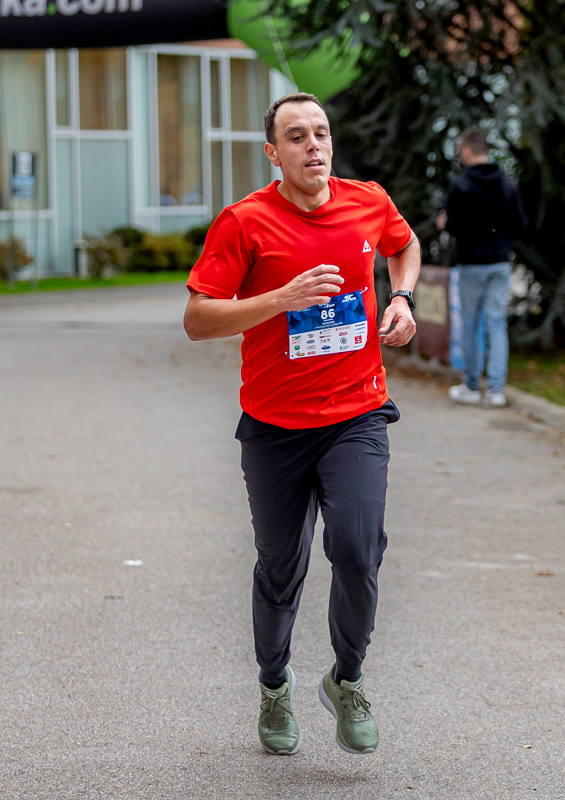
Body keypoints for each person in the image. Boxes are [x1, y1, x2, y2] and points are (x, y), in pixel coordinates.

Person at [183, 92, 420, 757]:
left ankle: (347, 679)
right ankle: (273, 684)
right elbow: (198, 318)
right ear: (273, 153)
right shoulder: (244, 222)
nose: (313, 145)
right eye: (296, 136)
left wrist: (402, 297)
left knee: (358, 548)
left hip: (356, 414)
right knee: (280, 568)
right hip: (275, 427)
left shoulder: (368, 201)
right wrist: (281, 299)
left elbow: (405, 245)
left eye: (320, 132)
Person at [437, 127, 527, 408]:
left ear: (466, 150)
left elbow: (454, 225)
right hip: (500, 263)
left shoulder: (460, 185)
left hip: (471, 264)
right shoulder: (507, 183)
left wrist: (445, 222)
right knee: (496, 324)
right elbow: (520, 225)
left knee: (470, 324)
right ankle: (497, 390)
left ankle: (472, 386)